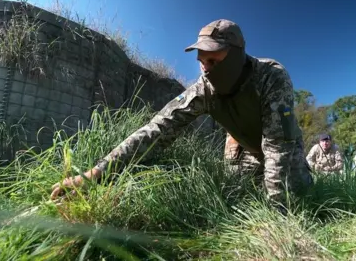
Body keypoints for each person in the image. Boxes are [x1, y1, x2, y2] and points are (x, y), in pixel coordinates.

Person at [50, 19, 313, 210]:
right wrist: (95, 175)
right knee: (238, 200)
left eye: (214, 61)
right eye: (201, 62)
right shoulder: (203, 91)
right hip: (244, 151)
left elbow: (278, 146)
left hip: (284, 151)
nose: (206, 70)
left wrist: (277, 215)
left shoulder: (271, 76)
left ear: (236, 55)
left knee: (300, 197)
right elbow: (157, 130)